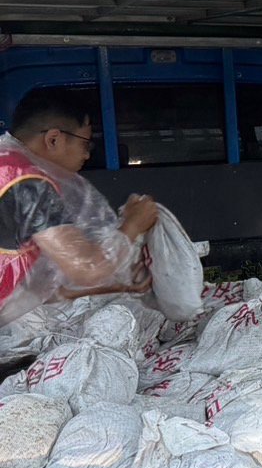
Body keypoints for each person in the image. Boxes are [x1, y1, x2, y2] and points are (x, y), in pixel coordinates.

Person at [0, 89, 158, 325]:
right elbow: (87, 268)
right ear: (53, 139)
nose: (86, 155)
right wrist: (133, 224)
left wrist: (116, 285)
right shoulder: (25, 181)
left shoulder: (6, 163)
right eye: (86, 144)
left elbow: (36, 283)